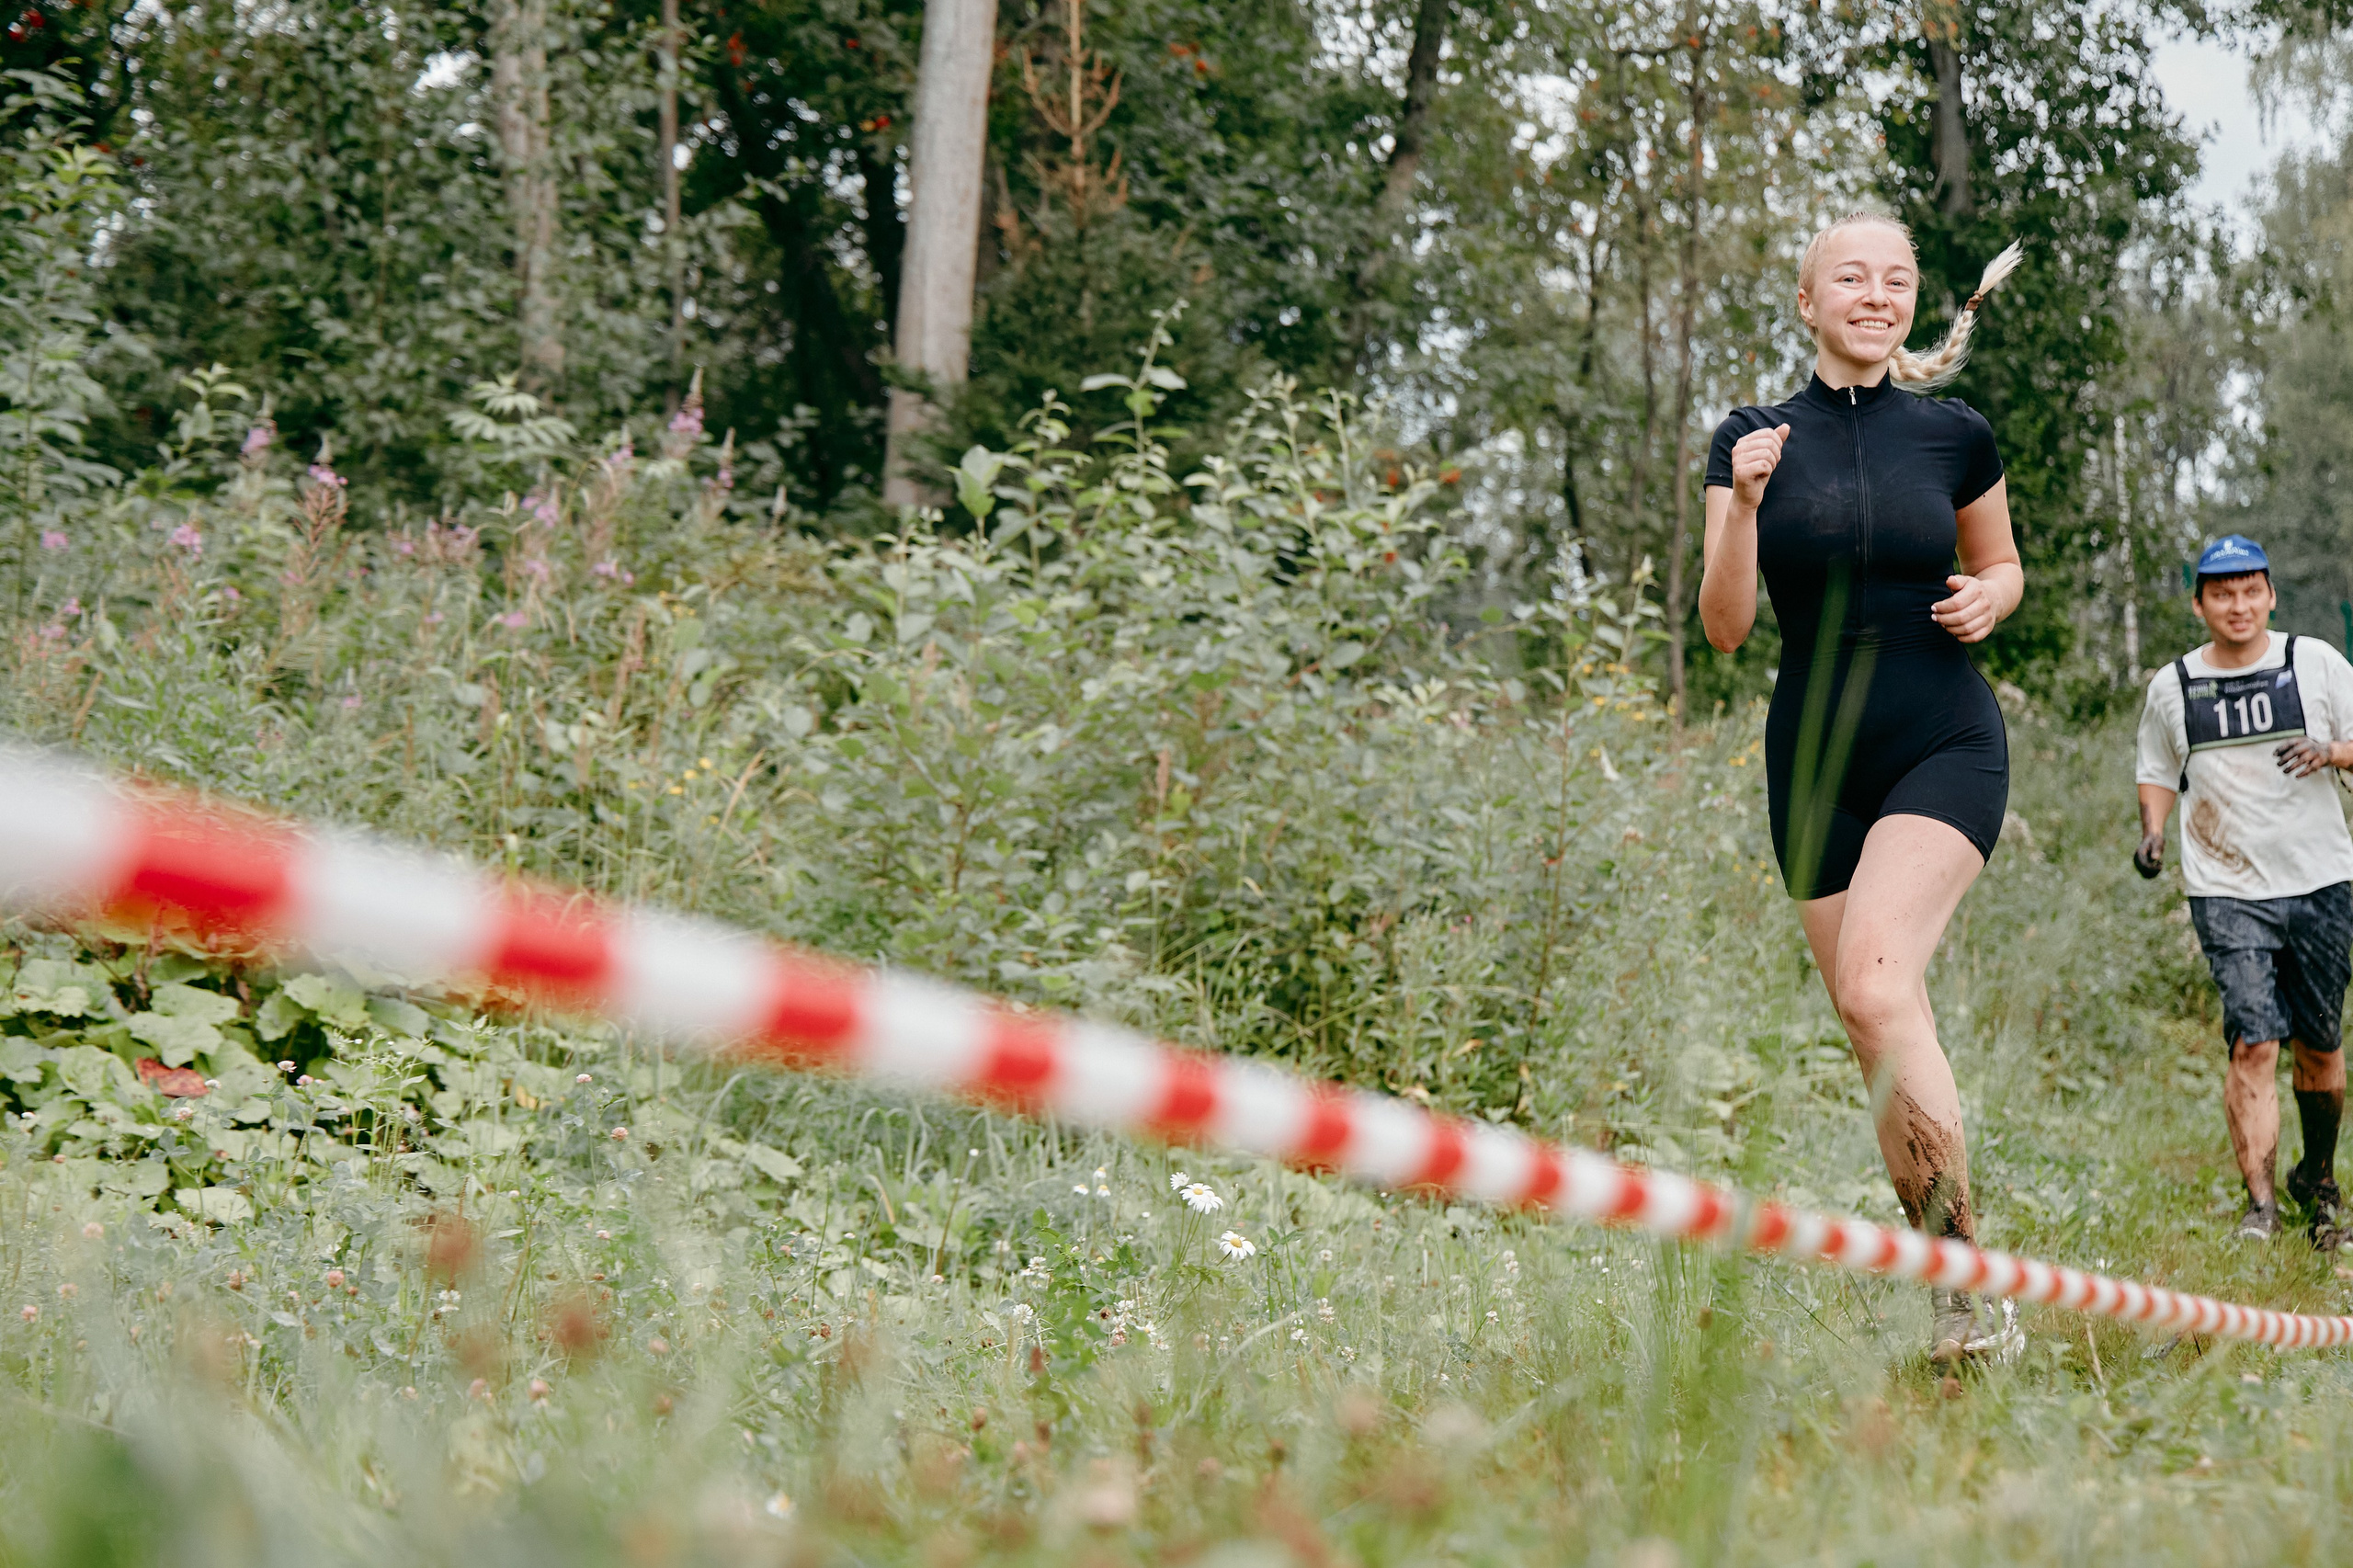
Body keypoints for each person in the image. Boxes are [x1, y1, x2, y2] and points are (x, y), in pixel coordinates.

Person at [1699, 211, 2026, 1363]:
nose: (1876, 294)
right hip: (1812, 766)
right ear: (1807, 301)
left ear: (1908, 303)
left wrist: (1994, 597)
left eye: (1895, 280)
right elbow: (1726, 629)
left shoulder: (1953, 434)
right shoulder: (1748, 440)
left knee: (1880, 989)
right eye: (1851, 276)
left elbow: (2000, 562)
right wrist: (1740, 503)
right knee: (1871, 1022)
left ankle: (1970, 1294)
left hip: (1940, 735)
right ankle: (1953, 1289)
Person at [2133, 536, 2353, 1245]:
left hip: (2321, 879)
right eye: (2222, 593)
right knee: (2255, 1041)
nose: (2238, 605)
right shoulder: (2173, 686)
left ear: (2271, 596)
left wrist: (2330, 752)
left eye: (2251, 590)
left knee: (2320, 1046)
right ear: (2199, 603)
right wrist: (2154, 832)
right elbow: (2158, 769)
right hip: (2225, 887)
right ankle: (2259, 1208)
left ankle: (2318, 1185)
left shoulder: (2312, 661)